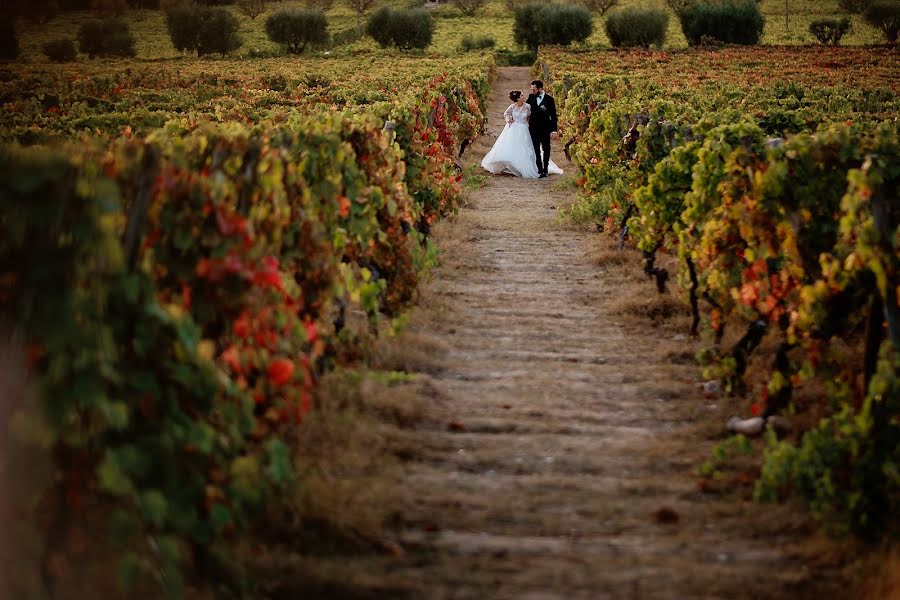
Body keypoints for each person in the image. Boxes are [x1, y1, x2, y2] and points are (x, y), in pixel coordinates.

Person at [481, 89, 562, 179]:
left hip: (524, 128)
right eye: (522, 95)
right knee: (512, 146)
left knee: (527, 148)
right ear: (518, 98)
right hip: (514, 128)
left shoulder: (527, 106)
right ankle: (511, 165)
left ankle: (529, 167)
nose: (524, 96)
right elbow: (506, 114)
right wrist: (509, 119)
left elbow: (533, 116)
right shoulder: (512, 107)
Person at [526, 79, 558, 178]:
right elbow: (524, 108)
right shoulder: (530, 97)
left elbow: (553, 116)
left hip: (545, 128)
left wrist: (554, 130)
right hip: (533, 128)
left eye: (534, 90)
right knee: (536, 149)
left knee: (546, 148)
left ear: (540, 89)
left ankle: (546, 169)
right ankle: (539, 169)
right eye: (531, 89)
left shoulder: (549, 99)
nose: (532, 92)